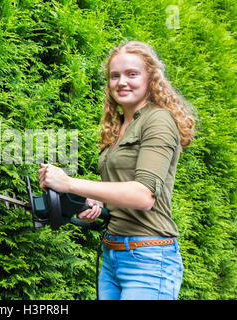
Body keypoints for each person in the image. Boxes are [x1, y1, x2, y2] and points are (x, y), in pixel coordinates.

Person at [38, 41, 195, 300]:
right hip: (113, 253)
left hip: (148, 258)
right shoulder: (120, 125)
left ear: (151, 78)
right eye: (115, 75)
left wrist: (69, 183)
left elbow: (143, 196)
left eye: (132, 74)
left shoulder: (158, 120)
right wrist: (96, 202)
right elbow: (121, 187)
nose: (122, 81)